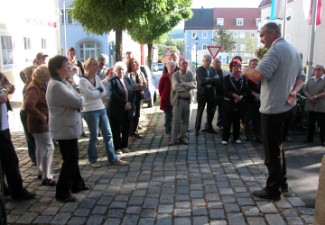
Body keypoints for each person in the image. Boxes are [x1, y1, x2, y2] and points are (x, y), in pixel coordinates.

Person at [242, 22, 305, 200]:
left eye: (262, 35)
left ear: (273, 33)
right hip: (288, 107)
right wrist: (293, 92)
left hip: (273, 109)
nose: (261, 39)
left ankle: (272, 190)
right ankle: (282, 183)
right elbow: (301, 77)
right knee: (279, 148)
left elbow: (257, 76)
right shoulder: (293, 50)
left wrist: (247, 70)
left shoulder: (275, 51)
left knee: (271, 153)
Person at [46, 55, 89, 202]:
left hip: (69, 126)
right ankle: (62, 192)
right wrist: (81, 99)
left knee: (72, 158)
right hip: (65, 128)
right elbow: (77, 101)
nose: (69, 67)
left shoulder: (63, 82)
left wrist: (80, 97)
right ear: (58, 68)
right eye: (66, 65)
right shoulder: (56, 86)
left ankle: (77, 184)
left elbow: (78, 96)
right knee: (70, 160)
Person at [79, 57, 128, 168]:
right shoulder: (82, 81)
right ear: (89, 66)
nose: (97, 67)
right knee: (94, 136)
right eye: (95, 65)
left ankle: (113, 158)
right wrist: (98, 92)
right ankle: (93, 159)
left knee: (108, 134)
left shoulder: (96, 77)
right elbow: (90, 95)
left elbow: (104, 91)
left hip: (101, 108)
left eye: (97, 65)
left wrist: (96, 92)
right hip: (90, 110)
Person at [0, 72, 36, 201]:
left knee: (7, 160)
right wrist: (5, 89)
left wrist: (7, 87)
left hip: (3, 125)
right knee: (10, 160)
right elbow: (2, 97)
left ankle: (5, 188)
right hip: (1, 129)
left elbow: (10, 86)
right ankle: (17, 191)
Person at [24, 65, 56, 186]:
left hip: (37, 123)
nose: (47, 80)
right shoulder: (34, 88)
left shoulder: (37, 86)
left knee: (40, 147)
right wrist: (41, 116)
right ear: (42, 77)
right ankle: (46, 176)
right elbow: (28, 105)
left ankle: (41, 171)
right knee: (49, 147)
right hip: (39, 123)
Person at [108, 62, 134, 155]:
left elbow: (132, 92)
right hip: (116, 109)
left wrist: (130, 103)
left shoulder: (128, 80)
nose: (121, 71)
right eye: (119, 69)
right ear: (115, 71)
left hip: (128, 108)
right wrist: (124, 103)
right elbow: (113, 95)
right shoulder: (112, 81)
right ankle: (117, 147)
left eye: (122, 69)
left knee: (126, 127)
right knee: (116, 129)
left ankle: (124, 145)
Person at [169, 58, 196, 146]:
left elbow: (194, 84)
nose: (185, 65)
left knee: (186, 120)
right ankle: (174, 138)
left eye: (186, 63)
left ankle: (183, 137)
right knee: (176, 120)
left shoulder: (190, 74)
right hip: (178, 100)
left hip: (187, 100)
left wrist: (184, 84)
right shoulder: (175, 75)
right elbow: (176, 87)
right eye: (183, 63)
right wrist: (188, 87)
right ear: (179, 65)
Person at [221, 58, 247, 145]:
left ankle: (236, 138)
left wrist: (240, 97)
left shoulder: (243, 78)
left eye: (238, 66)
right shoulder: (226, 78)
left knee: (237, 121)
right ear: (231, 67)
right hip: (229, 103)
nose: (236, 67)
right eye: (234, 66)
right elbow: (225, 90)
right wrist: (234, 95)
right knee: (227, 122)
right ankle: (225, 138)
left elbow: (245, 90)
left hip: (239, 103)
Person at [195, 55, 218, 135]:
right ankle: (197, 129)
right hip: (202, 93)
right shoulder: (199, 70)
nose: (208, 62)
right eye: (206, 60)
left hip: (211, 93)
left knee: (211, 111)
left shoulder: (213, 70)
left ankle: (209, 127)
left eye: (209, 60)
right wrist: (211, 79)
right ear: (203, 61)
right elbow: (201, 82)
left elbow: (217, 80)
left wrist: (208, 79)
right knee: (200, 111)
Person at [303, 65, 325, 146]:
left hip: (321, 106)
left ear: (323, 70)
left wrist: (315, 97)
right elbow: (305, 90)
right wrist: (309, 97)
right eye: (315, 69)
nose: (317, 71)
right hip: (311, 104)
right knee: (311, 122)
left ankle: (323, 140)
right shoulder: (311, 79)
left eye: (319, 69)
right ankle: (309, 138)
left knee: (322, 124)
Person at [19, 66, 36, 164]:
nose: (27, 76)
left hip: (28, 111)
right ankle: (33, 156)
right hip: (26, 112)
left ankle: (34, 155)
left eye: (29, 74)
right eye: (26, 74)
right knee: (30, 136)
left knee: (33, 136)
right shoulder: (29, 85)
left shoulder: (31, 84)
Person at [127, 57, 147, 139]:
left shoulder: (140, 73)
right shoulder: (128, 74)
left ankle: (135, 131)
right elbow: (130, 86)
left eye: (135, 62)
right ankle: (130, 132)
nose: (134, 64)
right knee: (132, 114)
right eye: (132, 62)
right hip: (131, 96)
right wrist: (139, 86)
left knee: (137, 114)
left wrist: (138, 86)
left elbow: (145, 85)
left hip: (139, 96)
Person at [244, 58, 262, 143]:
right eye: (253, 64)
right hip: (249, 100)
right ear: (250, 66)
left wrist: (260, 96)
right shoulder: (247, 76)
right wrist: (254, 94)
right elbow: (246, 87)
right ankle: (248, 135)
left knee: (258, 120)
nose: (254, 65)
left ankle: (258, 136)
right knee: (248, 119)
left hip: (260, 101)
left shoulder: (262, 75)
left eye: (256, 64)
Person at [158, 61, 176, 138]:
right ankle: (168, 132)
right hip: (166, 100)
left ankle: (175, 131)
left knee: (175, 116)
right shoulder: (164, 77)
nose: (172, 68)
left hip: (175, 99)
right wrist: (164, 95)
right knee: (168, 117)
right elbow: (160, 89)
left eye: (173, 66)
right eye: (170, 66)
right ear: (167, 68)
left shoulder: (177, 76)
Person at [212, 58, 225, 130]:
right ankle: (208, 124)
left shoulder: (223, 72)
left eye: (219, 62)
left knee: (222, 111)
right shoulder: (211, 72)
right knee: (211, 110)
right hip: (214, 95)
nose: (218, 64)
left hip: (222, 94)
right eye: (216, 62)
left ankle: (220, 125)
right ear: (213, 64)